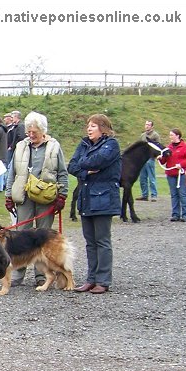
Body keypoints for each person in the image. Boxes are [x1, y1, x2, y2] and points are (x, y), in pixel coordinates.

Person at [4, 111, 69, 287]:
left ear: (43, 131)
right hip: (24, 196)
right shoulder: (21, 146)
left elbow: (62, 172)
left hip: (45, 196)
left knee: (43, 235)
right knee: (20, 235)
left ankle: (42, 275)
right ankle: (18, 274)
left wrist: (62, 195)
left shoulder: (54, 147)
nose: (31, 135)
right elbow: (12, 173)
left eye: (35, 132)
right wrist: (9, 195)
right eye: (29, 131)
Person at [68, 114, 121, 294]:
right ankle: (91, 279)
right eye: (88, 126)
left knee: (102, 240)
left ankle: (103, 280)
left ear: (103, 127)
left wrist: (84, 165)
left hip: (104, 198)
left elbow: (97, 161)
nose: (89, 129)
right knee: (90, 241)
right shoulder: (84, 144)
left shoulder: (111, 145)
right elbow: (72, 166)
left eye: (93, 126)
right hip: (86, 198)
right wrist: (86, 172)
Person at [158, 128, 186, 222]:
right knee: (174, 194)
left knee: (182, 193)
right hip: (171, 174)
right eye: (170, 135)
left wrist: (181, 165)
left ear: (177, 136)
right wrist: (160, 158)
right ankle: (175, 214)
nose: (170, 137)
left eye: (172, 135)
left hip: (183, 173)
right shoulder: (169, 148)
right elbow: (164, 160)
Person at [136, 120, 161, 202]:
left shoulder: (155, 135)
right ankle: (144, 195)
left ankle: (154, 195)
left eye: (148, 125)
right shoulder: (142, 135)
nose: (147, 126)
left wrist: (153, 156)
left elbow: (157, 147)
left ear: (152, 126)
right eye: (146, 124)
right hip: (142, 159)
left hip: (150, 158)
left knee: (151, 178)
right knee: (142, 178)